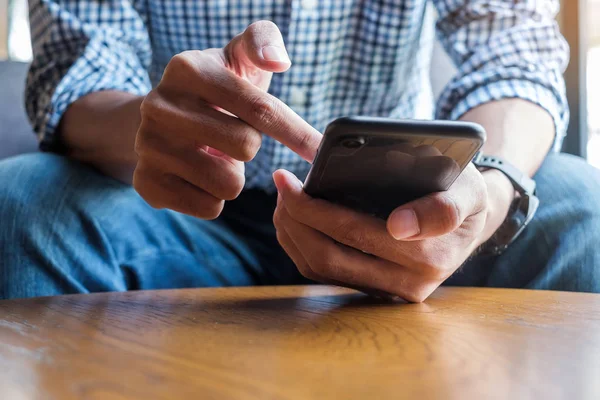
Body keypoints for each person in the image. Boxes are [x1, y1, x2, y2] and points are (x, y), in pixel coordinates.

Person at [1, 0, 599, 300]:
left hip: (401, 212)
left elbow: (515, 57)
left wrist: (488, 192)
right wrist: (150, 125)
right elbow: (75, 71)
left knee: (583, 210)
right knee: (23, 206)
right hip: (178, 211)